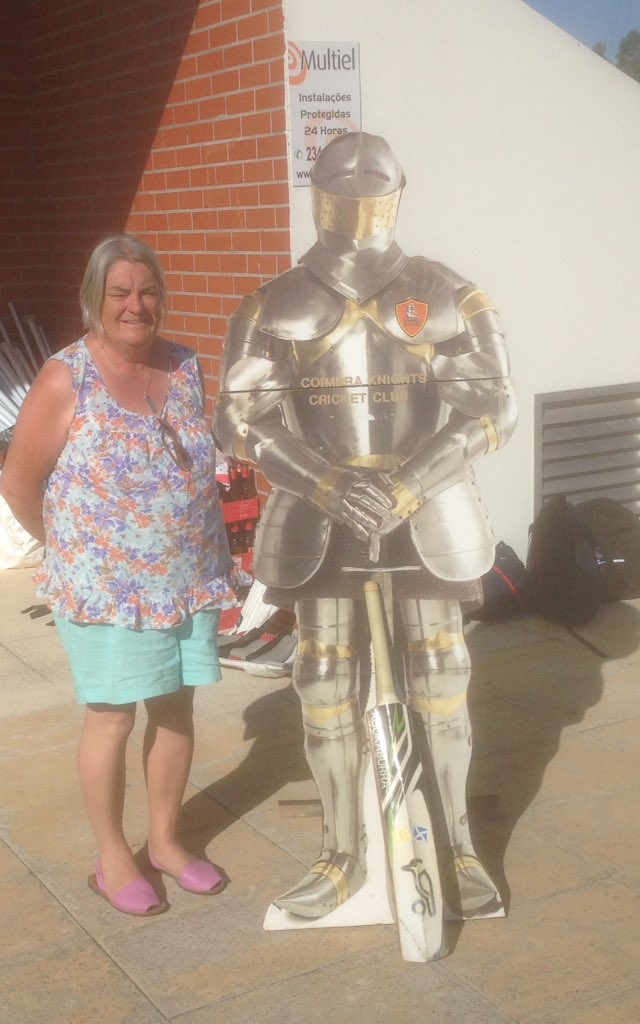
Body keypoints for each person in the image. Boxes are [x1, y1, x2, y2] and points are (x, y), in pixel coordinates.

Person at [213, 132, 518, 922]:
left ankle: (455, 846)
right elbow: (238, 419)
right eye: (338, 183)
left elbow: (495, 405)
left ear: (395, 191)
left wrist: (410, 483)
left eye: (368, 184)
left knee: (443, 673)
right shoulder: (271, 302)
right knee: (322, 678)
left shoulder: (447, 292)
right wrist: (324, 479)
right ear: (318, 192)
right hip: (320, 510)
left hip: (427, 506)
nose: (353, 196)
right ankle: (340, 852)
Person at [0, 234, 236, 917]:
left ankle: (164, 841)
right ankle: (112, 858)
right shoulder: (65, 377)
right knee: (111, 718)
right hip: (106, 591)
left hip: (189, 577)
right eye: (120, 293)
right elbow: (18, 485)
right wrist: (71, 554)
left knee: (177, 708)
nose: (137, 305)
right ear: (93, 301)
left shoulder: (186, 365)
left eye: (147, 290)